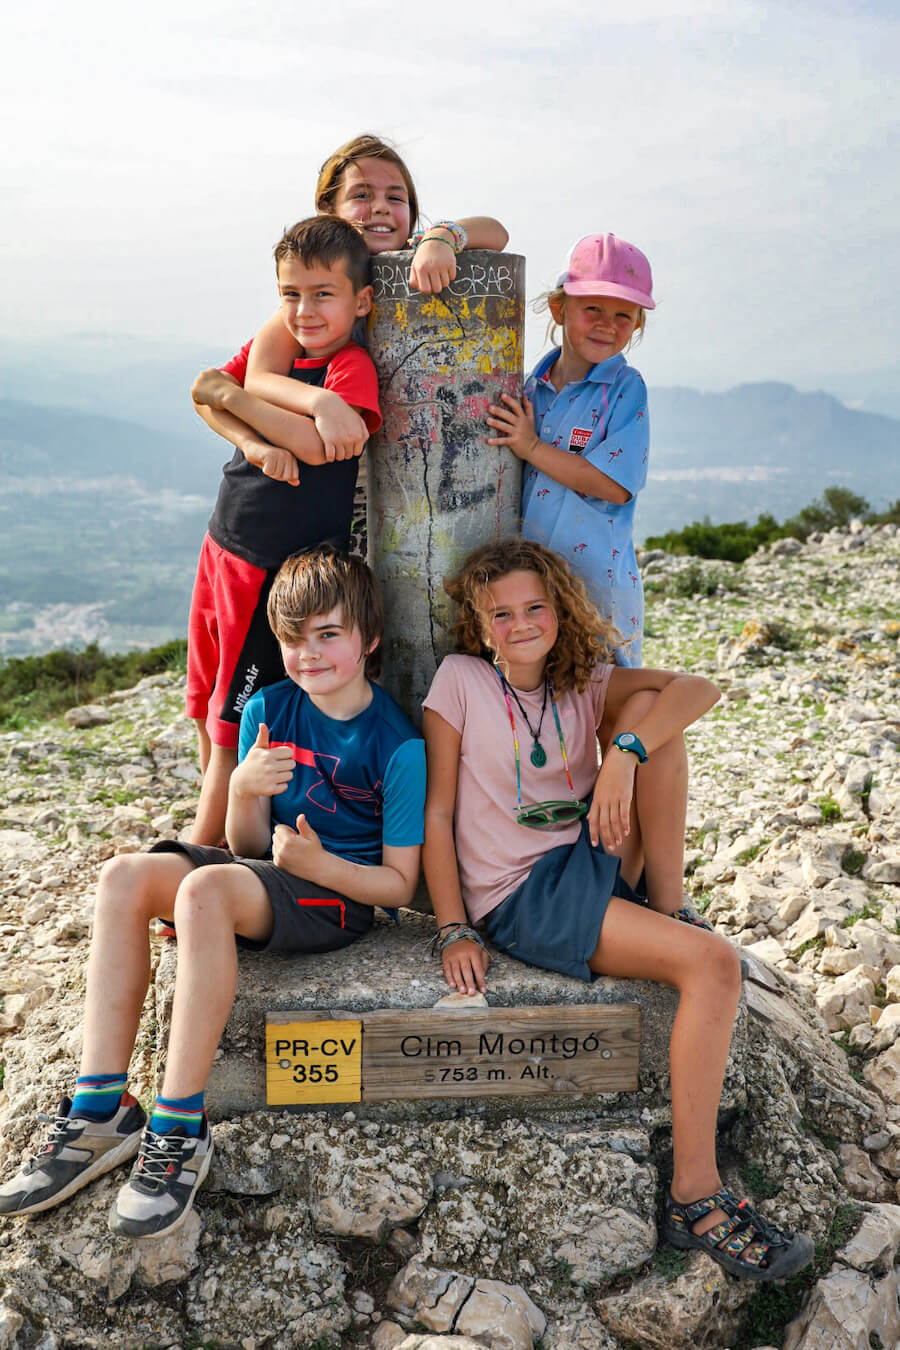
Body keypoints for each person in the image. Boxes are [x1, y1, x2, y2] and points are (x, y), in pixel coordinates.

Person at [0, 547, 425, 1239]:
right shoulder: (270, 708)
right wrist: (245, 789)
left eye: (329, 635)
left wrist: (318, 866)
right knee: (124, 877)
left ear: (369, 638)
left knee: (202, 894)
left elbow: (399, 886)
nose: (309, 654)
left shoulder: (396, 744)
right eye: (293, 638)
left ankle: (178, 1125)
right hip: (271, 871)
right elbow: (249, 845)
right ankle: (99, 1108)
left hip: (336, 896)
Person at [421, 538, 813, 1282]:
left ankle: (669, 906)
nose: (521, 623)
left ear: (560, 609)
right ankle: (696, 1195)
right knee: (714, 967)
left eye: (535, 606)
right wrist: (452, 926)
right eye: (500, 613)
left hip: (589, 860)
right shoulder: (461, 681)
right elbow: (437, 816)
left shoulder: (585, 680)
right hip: (523, 895)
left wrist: (625, 753)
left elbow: (701, 688)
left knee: (647, 715)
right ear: (477, 627)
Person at [188, 135, 508, 844]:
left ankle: (223, 849)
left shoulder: (383, 292)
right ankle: (209, 854)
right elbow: (242, 384)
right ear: (329, 211)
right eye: (360, 194)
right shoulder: (305, 305)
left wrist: (442, 238)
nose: (379, 207)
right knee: (222, 708)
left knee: (244, 706)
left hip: (315, 540)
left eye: (396, 195)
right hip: (253, 540)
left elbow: (498, 232)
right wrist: (260, 425)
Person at [184, 214, 382, 847]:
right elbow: (201, 395)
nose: (304, 310)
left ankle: (204, 851)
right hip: (223, 543)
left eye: (323, 294)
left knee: (229, 723)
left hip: (272, 567)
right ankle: (213, 825)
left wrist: (240, 395)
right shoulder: (281, 349)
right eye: (291, 295)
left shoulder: (349, 368)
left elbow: (317, 447)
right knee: (203, 700)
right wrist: (249, 437)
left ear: (361, 300)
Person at [486, 233, 653, 666]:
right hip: (531, 589)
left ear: (636, 324)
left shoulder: (624, 388)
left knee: (607, 694)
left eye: (623, 314)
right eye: (592, 307)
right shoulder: (527, 389)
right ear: (560, 309)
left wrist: (532, 447)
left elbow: (615, 485)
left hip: (599, 584)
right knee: (551, 696)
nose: (606, 323)